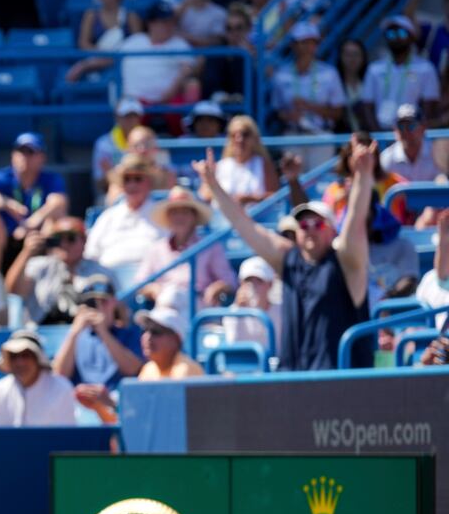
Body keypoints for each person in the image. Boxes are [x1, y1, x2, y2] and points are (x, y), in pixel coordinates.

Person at [195, 142, 374, 371]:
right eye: (303, 224)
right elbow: (244, 225)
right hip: (294, 380)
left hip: (339, 380)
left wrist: (363, 174)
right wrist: (214, 186)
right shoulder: (289, 260)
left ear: (332, 231)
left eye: (317, 223)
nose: (309, 228)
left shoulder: (346, 263)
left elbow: (356, 221)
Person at [137, 186, 236, 310]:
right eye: (174, 212)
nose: (179, 217)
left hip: (197, 305)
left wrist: (217, 287)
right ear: (168, 217)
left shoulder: (210, 246)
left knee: (171, 297)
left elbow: (230, 281)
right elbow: (140, 284)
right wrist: (153, 290)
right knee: (170, 296)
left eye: (184, 212)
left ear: (194, 217)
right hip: (164, 302)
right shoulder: (156, 249)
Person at [0, 131, 67, 273]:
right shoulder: (2, 177)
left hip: (37, 240)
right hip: (8, 241)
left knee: (54, 219)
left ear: (42, 158)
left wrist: (31, 223)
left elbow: (59, 202)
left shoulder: (50, 179)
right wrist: (8, 204)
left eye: (30, 152)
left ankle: (53, 274)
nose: (24, 157)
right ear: (13, 155)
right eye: (20, 151)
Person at [6, 216, 112, 325]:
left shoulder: (100, 272)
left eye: (71, 238)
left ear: (84, 241)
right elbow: (13, 289)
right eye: (58, 238)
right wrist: (26, 252)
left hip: (86, 334)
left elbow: (113, 311)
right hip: (42, 333)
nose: (64, 244)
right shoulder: (40, 266)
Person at [51, 274, 144, 389]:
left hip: (116, 401)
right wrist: (74, 332)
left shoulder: (130, 334)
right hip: (81, 402)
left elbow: (133, 370)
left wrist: (103, 332)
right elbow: (59, 376)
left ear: (114, 302)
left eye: (103, 301)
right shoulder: (75, 337)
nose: (97, 307)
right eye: (91, 302)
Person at [86, 154, 164, 277]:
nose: (132, 184)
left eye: (138, 178)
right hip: (107, 283)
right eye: (127, 179)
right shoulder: (108, 217)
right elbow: (90, 254)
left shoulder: (163, 216)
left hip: (149, 282)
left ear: (149, 182)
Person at [360, 15, 440, 133]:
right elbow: (367, 105)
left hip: (412, 134)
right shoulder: (374, 69)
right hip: (381, 133)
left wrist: (415, 134)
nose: (396, 37)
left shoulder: (426, 68)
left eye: (402, 33)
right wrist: (377, 134)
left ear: (411, 37)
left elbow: (430, 106)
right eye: (390, 34)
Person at [0, 329, 76, 427]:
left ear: (38, 359)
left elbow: (67, 437)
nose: (20, 363)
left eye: (26, 355)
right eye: (14, 356)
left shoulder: (61, 388)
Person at [210, 114, 277, 205]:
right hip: (223, 217)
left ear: (254, 138)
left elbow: (275, 197)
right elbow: (205, 195)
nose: (239, 139)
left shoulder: (264, 164)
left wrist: (251, 199)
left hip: (256, 217)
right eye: (234, 135)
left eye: (245, 134)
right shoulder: (221, 166)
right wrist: (207, 177)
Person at [136, 305, 205, 379]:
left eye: (155, 331)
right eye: (144, 330)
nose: (148, 337)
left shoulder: (187, 369)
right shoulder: (148, 369)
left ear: (175, 339)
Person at [380, 104, 440, 183]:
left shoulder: (437, 156)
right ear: (395, 129)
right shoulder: (386, 159)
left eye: (411, 126)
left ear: (423, 128)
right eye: (400, 126)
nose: (405, 131)